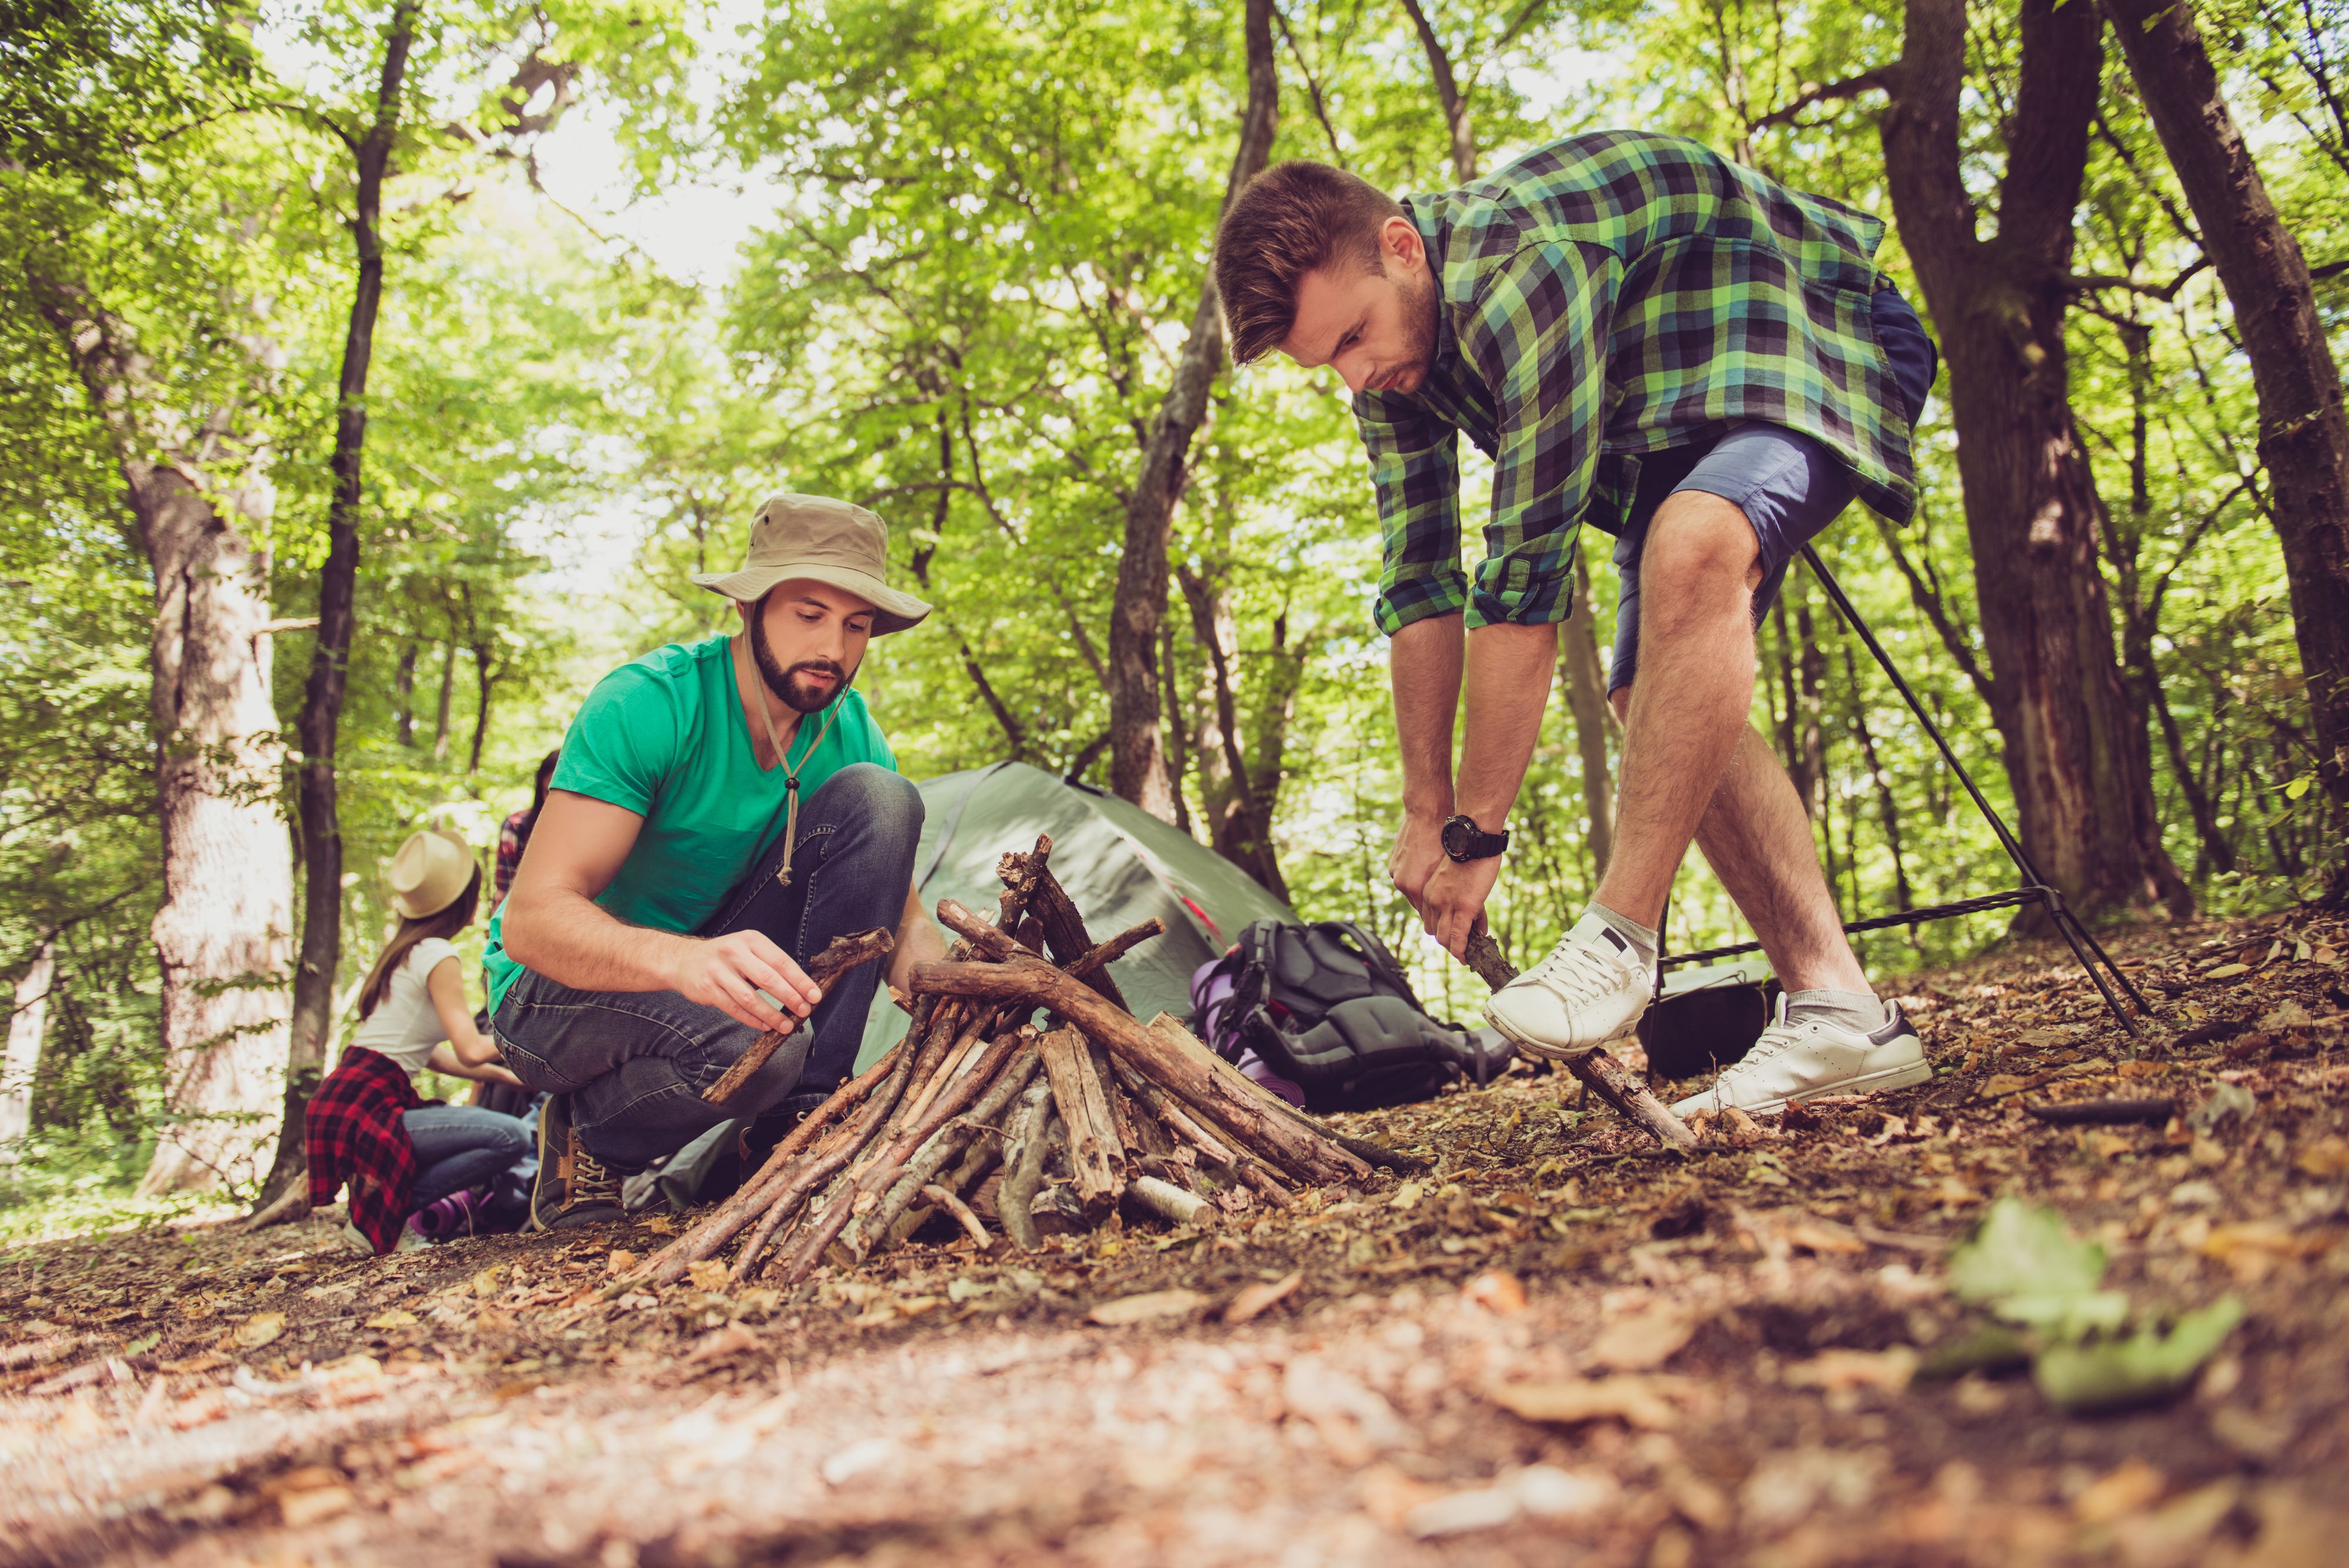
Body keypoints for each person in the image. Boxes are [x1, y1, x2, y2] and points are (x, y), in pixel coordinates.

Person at [1210, 131, 1942, 1118]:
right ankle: (1841, 1011)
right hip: (1675, 420)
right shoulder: (1394, 364)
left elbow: (1522, 585)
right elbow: (1423, 582)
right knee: (1651, 693)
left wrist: (1479, 833)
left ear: (1400, 248)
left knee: (1691, 548)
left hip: (1819, 339)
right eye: (1326, 361)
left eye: (1352, 338)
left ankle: (1619, 940)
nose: (1355, 375)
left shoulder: (1520, 272)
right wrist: (1426, 812)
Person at [489, 492, 945, 1231]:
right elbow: (533, 923)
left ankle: (795, 1131)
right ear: (749, 608)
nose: (833, 646)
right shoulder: (649, 704)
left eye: (856, 626)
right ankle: (589, 1131)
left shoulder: (851, 730)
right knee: (758, 1044)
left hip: (715, 972)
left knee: (884, 798)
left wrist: (962, 999)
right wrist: (682, 964)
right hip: (552, 994)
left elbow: (903, 922)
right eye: (809, 614)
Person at [306, 829, 530, 1254]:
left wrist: (514, 1080)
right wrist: (540, 1034)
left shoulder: (404, 951)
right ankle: (385, 1212)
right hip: (367, 1106)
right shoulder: (437, 954)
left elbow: (432, 1056)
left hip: (341, 1102)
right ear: (463, 899)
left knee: (497, 1131)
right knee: (512, 1138)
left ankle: (377, 1212)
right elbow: (471, 1047)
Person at [494, 748, 563, 913]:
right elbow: (504, 892)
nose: (556, 801)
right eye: (549, 792)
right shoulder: (516, 826)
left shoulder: (592, 833)